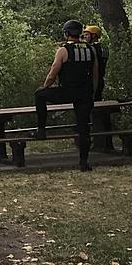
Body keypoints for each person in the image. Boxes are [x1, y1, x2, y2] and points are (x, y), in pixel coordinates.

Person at [34, 20, 99, 172]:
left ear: (66, 33)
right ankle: (84, 162)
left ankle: (41, 129)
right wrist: (93, 93)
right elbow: (95, 75)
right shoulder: (91, 49)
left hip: (67, 91)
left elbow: (53, 72)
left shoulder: (63, 50)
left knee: (40, 95)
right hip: (85, 93)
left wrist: (45, 86)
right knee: (84, 128)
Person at [82, 25, 109, 101]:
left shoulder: (91, 49)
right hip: (100, 80)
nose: (85, 37)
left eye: (87, 34)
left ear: (93, 35)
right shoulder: (104, 48)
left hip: (92, 80)